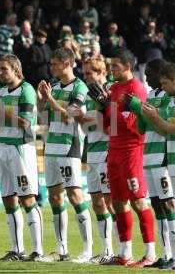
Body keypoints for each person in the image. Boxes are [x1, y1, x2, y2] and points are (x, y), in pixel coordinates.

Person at [92, 49, 155, 267]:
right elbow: (106, 127)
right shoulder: (113, 88)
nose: (111, 69)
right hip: (114, 150)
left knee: (138, 200)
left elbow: (139, 127)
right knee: (118, 202)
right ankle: (125, 252)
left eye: (116, 66)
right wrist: (100, 107)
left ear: (128, 66)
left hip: (132, 151)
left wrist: (128, 109)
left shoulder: (137, 89)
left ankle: (150, 253)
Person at [0, 54, 47, 262]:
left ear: (16, 69)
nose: (0, 72)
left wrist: (0, 110)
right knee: (8, 199)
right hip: (3, 147)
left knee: (27, 198)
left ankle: (38, 251)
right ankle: (16, 249)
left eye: (4, 69)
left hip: (21, 149)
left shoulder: (27, 90)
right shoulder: (2, 92)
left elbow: (26, 123)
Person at [38, 48, 93, 263]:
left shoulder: (79, 87)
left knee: (75, 195)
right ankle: (62, 250)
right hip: (51, 145)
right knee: (54, 197)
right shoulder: (56, 86)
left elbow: (71, 116)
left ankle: (87, 250)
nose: (51, 67)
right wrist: (43, 99)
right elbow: (44, 116)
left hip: (69, 146)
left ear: (67, 63)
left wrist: (50, 98)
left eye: (54, 63)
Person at [132, 61, 175, 269]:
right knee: (158, 207)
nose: (146, 78)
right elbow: (142, 128)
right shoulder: (150, 96)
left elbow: (163, 127)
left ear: (161, 74)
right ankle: (165, 255)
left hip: (162, 157)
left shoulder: (169, 96)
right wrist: (138, 112)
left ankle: (174, 256)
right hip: (148, 156)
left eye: (150, 74)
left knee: (169, 205)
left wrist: (145, 113)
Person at [74, 56, 116, 263]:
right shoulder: (90, 95)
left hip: (107, 151)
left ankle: (121, 250)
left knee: (110, 202)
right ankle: (107, 250)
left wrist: (101, 108)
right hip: (92, 152)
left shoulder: (110, 91)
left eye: (90, 73)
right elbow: (87, 126)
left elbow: (112, 125)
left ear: (102, 73)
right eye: (84, 73)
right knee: (97, 202)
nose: (86, 77)